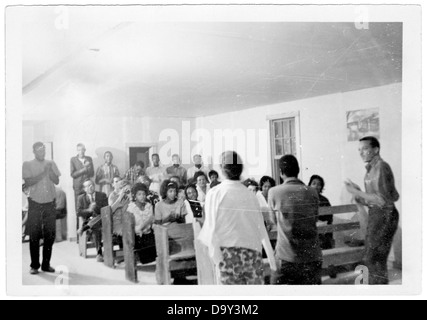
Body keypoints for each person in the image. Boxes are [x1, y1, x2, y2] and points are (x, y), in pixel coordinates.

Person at [198, 151, 276, 285]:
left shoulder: (214, 193)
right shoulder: (251, 195)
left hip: (228, 256)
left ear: (222, 169)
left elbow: (210, 232)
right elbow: (262, 231)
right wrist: (272, 263)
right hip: (253, 255)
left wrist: (217, 260)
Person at [344, 136, 399, 285]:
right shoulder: (369, 170)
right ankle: (377, 288)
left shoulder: (381, 166)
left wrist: (356, 193)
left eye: (365, 149)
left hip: (385, 215)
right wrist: (358, 193)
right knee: (373, 258)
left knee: (373, 258)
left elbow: (381, 200)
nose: (361, 153)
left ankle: (377, 289)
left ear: (376, 150)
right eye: (359, 150)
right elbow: (372, 199)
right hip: (377, 214)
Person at [268, 155, 322, 285]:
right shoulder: (312, 192)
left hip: (286, 257)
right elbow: (314, 218)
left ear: (281, 173)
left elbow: (273, 221)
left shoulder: (274, 192)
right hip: (312, 256)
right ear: (298, 170)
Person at [22, 142, 61, 275]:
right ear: (34, 151)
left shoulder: (51, 163)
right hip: (35, 203)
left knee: (50, 235)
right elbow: (28, 182)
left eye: (43, 149)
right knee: (34, 235)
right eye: (39, 150)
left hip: (50, 202)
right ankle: (34, 265)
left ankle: (46, 264)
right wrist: (44, 172)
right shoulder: (27, 164)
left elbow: (56, 181)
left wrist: (49, 171)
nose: (42, 152)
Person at [77, 179, 108, 262]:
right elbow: (79, 212)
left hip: (101, 219)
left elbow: (106, 209)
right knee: (96, 228)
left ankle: (84, 228)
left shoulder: (102, 195)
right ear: (84, 189)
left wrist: (96, 207)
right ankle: (99, 253)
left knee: (99, 219)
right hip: (89, 220)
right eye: (88, 186)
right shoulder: (81, 198)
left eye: (92, 185)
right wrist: (89, 210)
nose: (90, 187)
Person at [127, 183, 157, 264]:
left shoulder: (148, 206)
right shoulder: (131, 208)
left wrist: (150, 223)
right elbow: (133, 228)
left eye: (144, 194)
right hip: (138, 237)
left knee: (156, 256)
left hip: (149, 234)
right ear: (135, 196)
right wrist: (146, 222)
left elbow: (152, 221)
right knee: (145, 260)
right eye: (139, 194)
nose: (142, 196)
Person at [70, 143, 94, 231]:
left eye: (83, 149)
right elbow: (72, 174)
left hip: (87, 187)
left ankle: (89, 233)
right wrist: (84, 169)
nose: (81, 152)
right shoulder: (73, 159)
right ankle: (79, 235)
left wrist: (89, 167)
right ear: (77, 150)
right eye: (79, 150)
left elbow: (92, 174)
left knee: (89, 208)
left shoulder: (89, 159)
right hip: (78, 188)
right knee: (79, 210)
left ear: (85, 150)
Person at [308, 175, 334, 250]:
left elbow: (329, 218)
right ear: (309, 185)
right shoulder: (305, 200)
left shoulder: (324, 200)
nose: (316, 186)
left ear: (321, 187)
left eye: (319, 184)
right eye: (314, 183)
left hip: (323, 231)